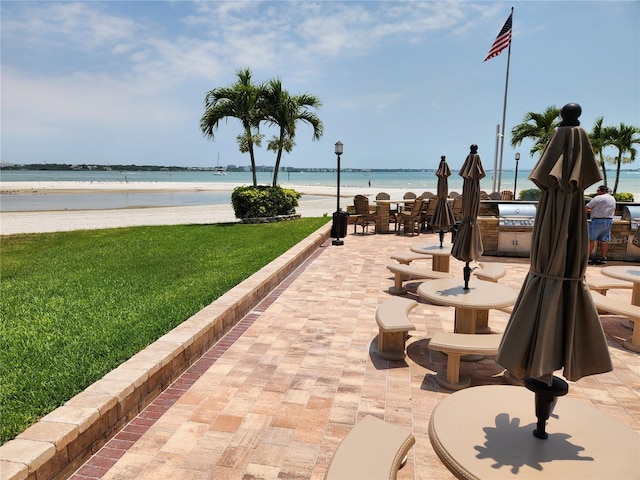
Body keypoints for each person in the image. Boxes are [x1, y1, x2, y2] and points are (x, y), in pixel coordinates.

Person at [586, 185, 616, 265]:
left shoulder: (598, 198)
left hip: (597, 221)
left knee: (591, 240)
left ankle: (586, 258)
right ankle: (604, 258)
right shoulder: (612, 198)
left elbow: (587, 207)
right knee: (604, 241)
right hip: (608, 221)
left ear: (600, 191)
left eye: (597, 191)